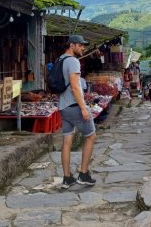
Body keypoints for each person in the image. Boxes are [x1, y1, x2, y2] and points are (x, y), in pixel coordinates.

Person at [58, 35, 97, 189]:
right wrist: (83, 108)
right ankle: (83, 173)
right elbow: (75, 87)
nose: (83, 48)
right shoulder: (73, 62)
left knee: (67, 141)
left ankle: (67, 177)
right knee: (91, 136)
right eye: (80, 45)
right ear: (72, 45)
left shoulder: (60, 60)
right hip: (74, 106)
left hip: (63, 106)